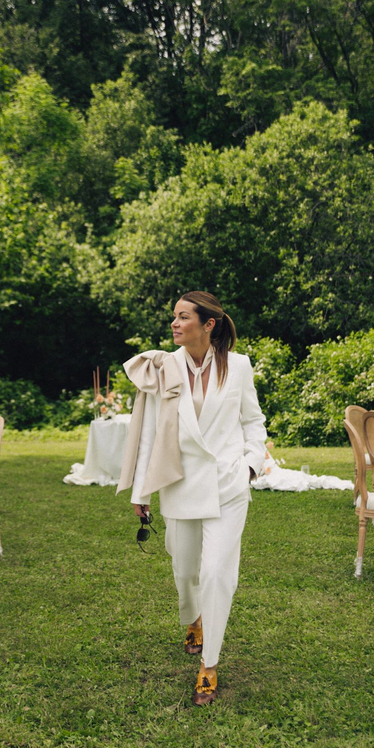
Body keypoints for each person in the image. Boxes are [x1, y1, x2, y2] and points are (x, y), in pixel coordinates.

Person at [117, 291, 266, 705]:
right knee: (184, 569)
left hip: (227, 485)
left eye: (183, 317)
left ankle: (209, 664)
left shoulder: (238, 366)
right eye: (174, 317)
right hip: (179, 484)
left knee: (217, 573)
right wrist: (142, 491)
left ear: (208, 324)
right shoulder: (164, 367)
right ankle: (193, 618)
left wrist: (250, 466)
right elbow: (151, 433)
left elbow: (253, 421)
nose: (174, 324)